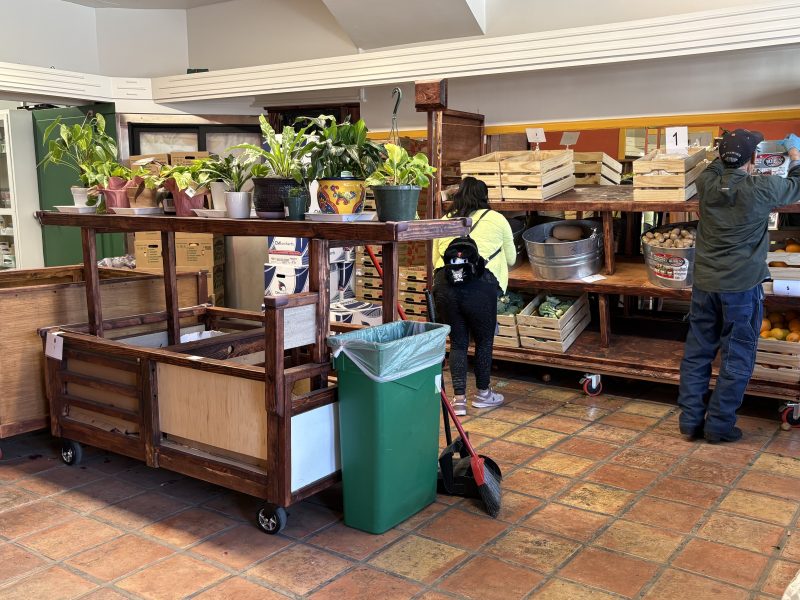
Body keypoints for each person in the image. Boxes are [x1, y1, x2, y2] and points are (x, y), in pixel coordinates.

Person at [678, 129, 800, 443]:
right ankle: (719, 426)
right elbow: (797, 185)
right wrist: (795, 155)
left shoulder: (705, 184)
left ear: (721, 157)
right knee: (737, 357)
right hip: (742, 288)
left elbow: (717, 168)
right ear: (755, 159)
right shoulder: (763, 187)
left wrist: (726, 154)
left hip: (705, 285)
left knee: (697, 354)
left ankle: (690, 422)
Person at [432, 177, 516, 416]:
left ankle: (459, 401)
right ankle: (483, 394)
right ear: (484, 196)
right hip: (481, 286)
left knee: (457, 343)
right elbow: (510, 259)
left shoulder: (445, 221)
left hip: (445, 286)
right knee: (483, 341)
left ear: (458, 196)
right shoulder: (497, 219)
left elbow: (434, 260)